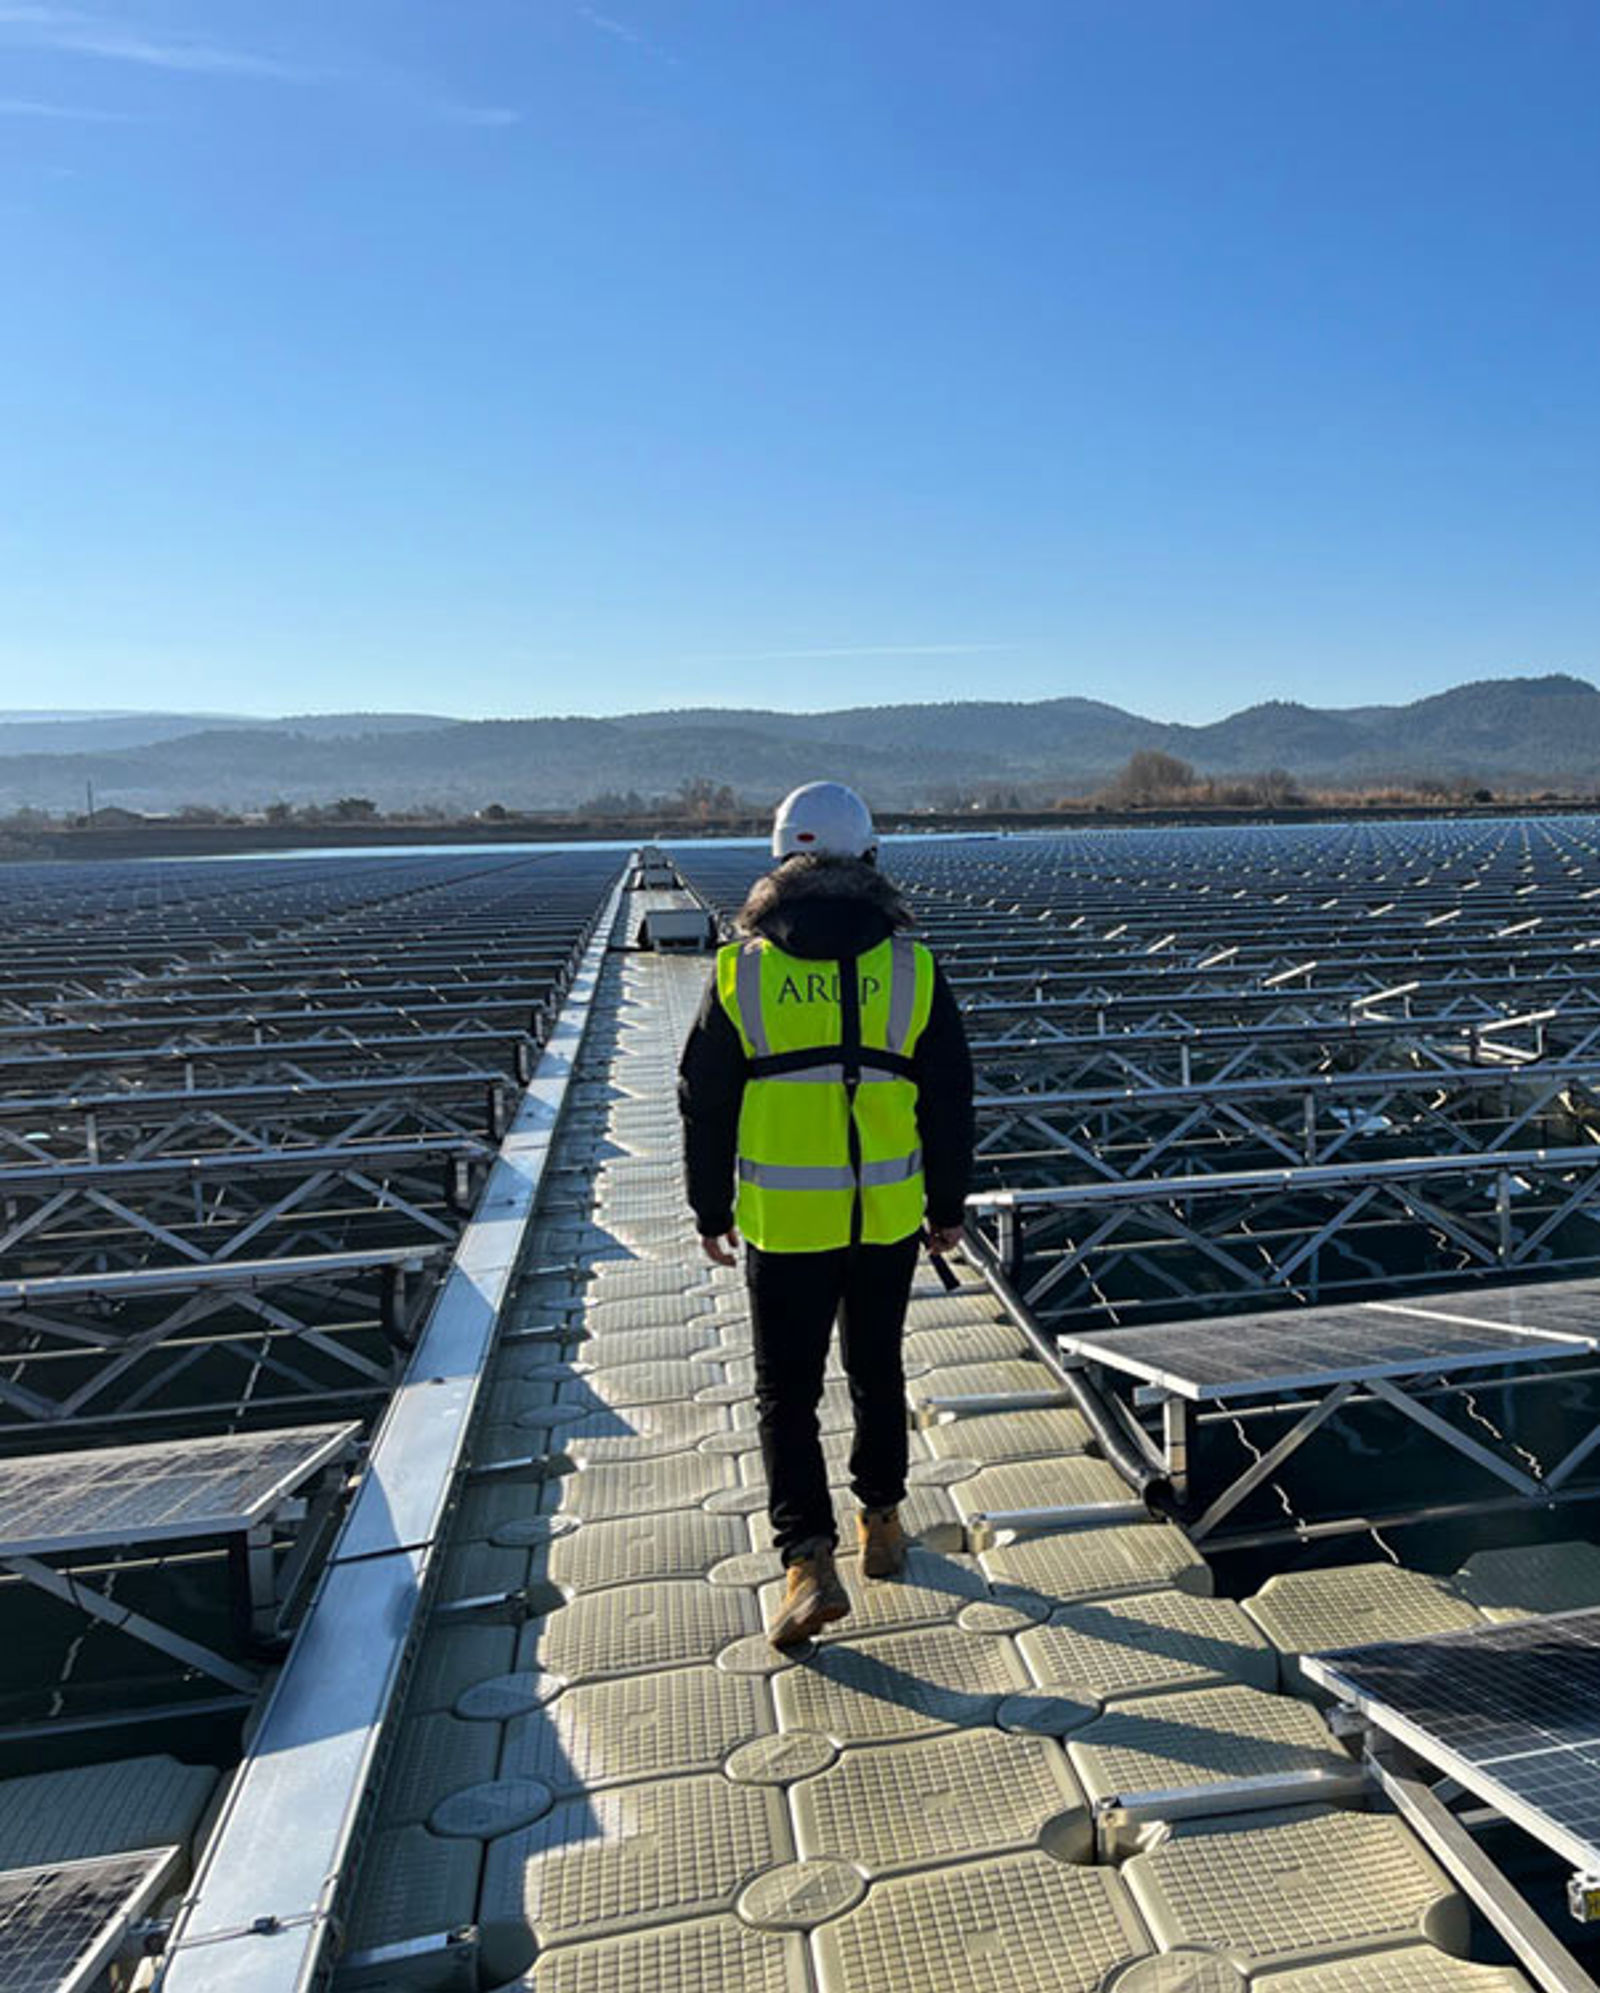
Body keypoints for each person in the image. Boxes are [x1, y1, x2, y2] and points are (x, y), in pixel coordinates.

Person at [678, 781, 975, 1646]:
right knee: (877, 1370)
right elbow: (950, 1098)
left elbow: (704, 1098)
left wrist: (708, 1205)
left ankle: (806, 1561)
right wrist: (946, 1205)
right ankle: (881, 1523)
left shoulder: (743, 968)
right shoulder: (912, 965)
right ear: (872, 861)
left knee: (787, 1395)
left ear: (780, 865)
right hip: (884, 1214)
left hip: (784, 1219)